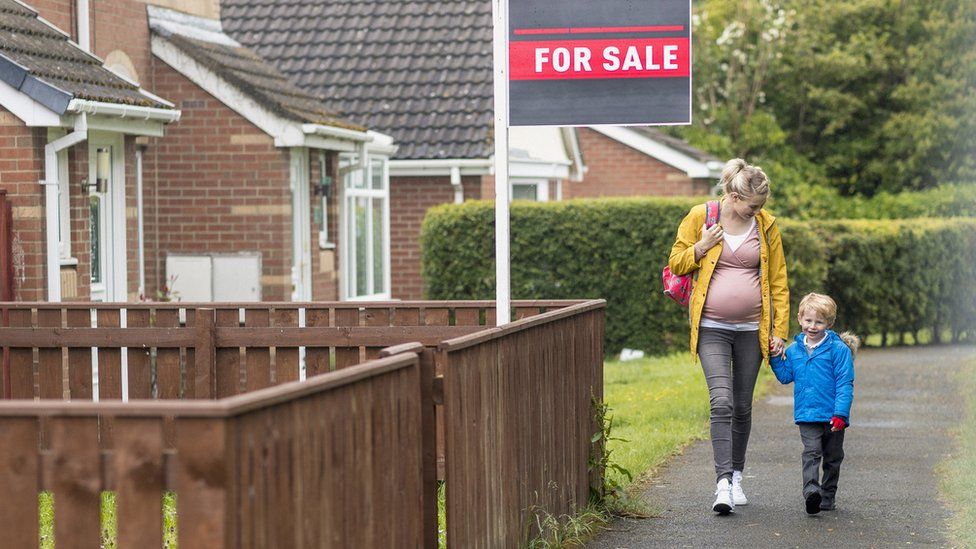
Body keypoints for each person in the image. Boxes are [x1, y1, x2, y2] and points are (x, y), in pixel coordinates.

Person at [668, 158, 790, 514]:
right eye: (752, 205)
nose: (757, 211)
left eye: (761, 206)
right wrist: (702, 246)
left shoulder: (766, 226)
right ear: (734, 196)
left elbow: (779, 282)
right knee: (721, 401)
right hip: (711, 328)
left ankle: (737, 475)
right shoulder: (700, 216)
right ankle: (722, 484)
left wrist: (779, 331)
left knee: (741, 405)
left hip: (753, 330)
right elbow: (676, 262)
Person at [770, 293, 858, 514]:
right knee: (811, 452)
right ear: (799, 319)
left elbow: (845, 383)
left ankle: (828, 496)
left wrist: (841, 414)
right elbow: (785, 376)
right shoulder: (794, 350)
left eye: (819, 322)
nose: (812, 326)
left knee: (832, 457)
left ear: (829, 323)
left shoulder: (838, 350)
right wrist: (773, 357)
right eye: (808, 321)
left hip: (833, 416)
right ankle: (811, 491)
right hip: (807, 414)